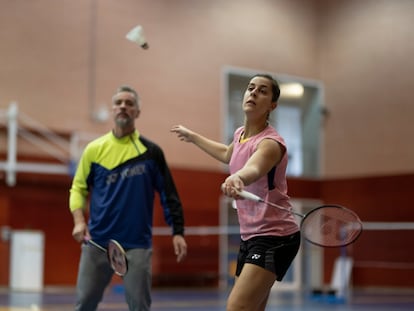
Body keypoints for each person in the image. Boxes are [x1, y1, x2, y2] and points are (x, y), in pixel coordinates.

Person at [171, 74, 300, 311]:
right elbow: (228, 154)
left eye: (262, 91)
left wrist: (238, 177)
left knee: (237, 307)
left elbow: (255, 166)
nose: (253, 93)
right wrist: (193, 137)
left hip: (275, 237)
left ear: (273, 105)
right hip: (250, 236)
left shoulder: (270, 143)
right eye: (251, 88)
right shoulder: (241, 134)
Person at [69, 85, 187, 311]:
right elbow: (78, 187)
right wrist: (78, 220)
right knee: (84, 304)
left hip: (136, 245)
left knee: (139, 306)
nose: (123, 106)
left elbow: (168, 193)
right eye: (119, 103)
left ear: (137, 112)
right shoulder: (94, 150)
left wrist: (178, 231)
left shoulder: (151, 152)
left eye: (129, 103)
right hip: (96, 241)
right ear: (113, 110)